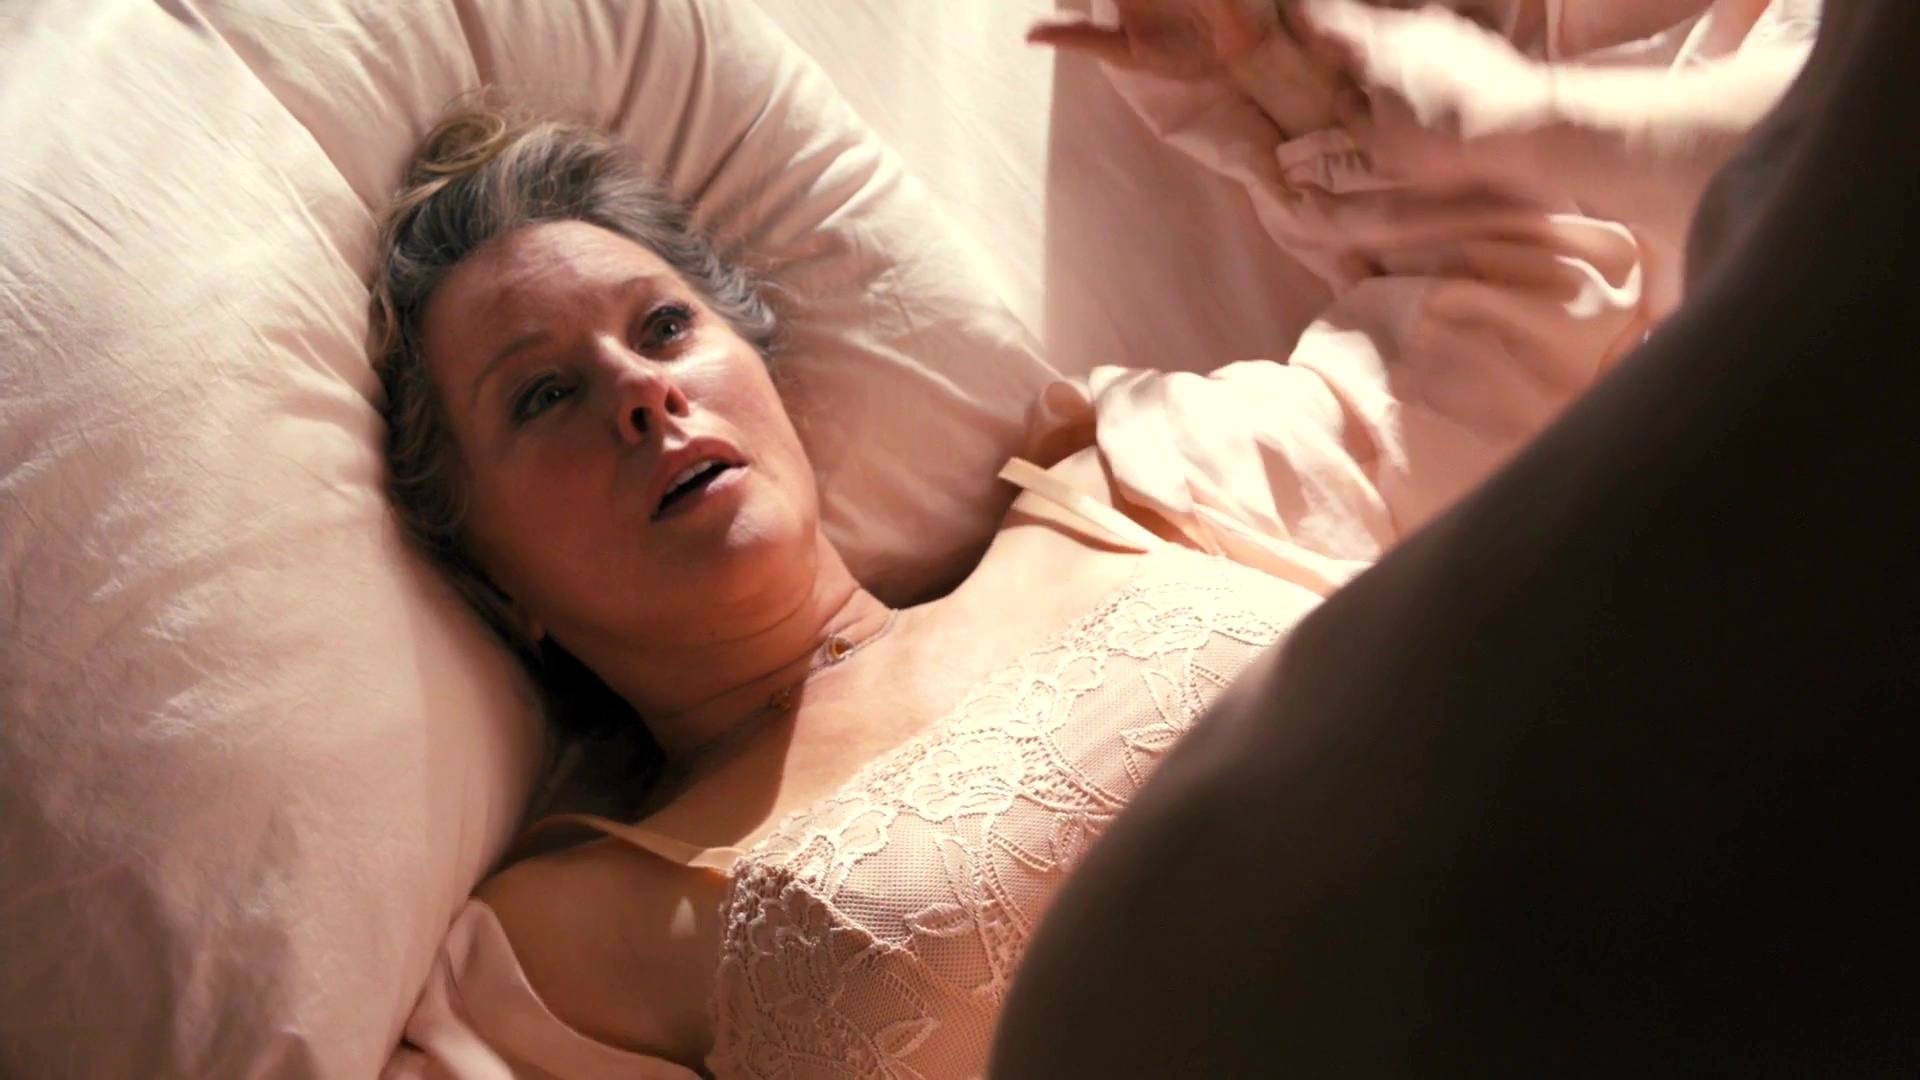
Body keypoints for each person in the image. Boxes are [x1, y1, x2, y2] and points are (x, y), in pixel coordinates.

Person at [375, 3, 1805, 1076]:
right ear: (496, 578)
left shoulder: (1135, 493)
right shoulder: (559, 951)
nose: (640, 393)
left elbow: (1526, 293)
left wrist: (1301, 104)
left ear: (767, 374)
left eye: (663, 327)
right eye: (544, 396)